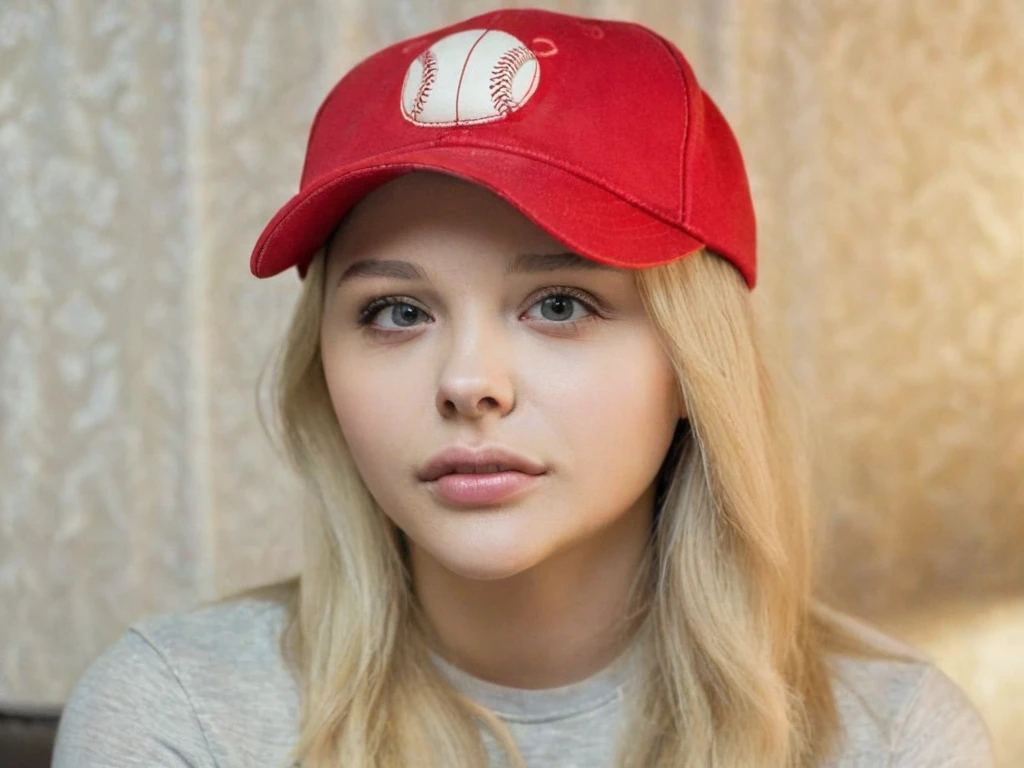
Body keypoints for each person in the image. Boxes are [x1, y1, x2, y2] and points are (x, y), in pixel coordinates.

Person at [51, 7, 995, 768]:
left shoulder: (893, 738)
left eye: (558, 303)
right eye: (396, 313)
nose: (468, 383)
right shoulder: (176, 716)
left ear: (690, 367)